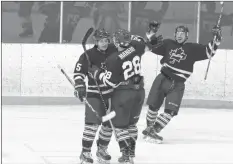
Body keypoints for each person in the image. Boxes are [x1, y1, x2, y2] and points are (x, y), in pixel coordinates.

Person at [88, 28, 161, 164]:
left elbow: (110, 82)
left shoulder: (114, 59)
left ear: (116, 41)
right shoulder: (136, 46)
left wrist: (96, 72)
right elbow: (148, 46)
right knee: (131, 125)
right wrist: (151, 38)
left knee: (118, 125)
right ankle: (131, 153)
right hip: (139, 93)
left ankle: (125, 155)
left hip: (123, 94)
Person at [142, 24, 222, 143]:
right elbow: (153, 47)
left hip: (178, 84)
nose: (179, 35)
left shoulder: (193, 48)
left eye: (182, 34)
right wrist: (151, 33)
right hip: (162, 78)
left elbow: (209, 52)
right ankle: (149, 128)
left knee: (171, 111)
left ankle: (153, 130)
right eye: (177, 33)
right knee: (153, 106)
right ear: (175, 35)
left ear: (187, 36)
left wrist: (216, 37)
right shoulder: (168, 43)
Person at [73, 28, 117, 164]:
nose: (104, 43)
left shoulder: (114, 51)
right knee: (91, 125)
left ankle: (102, 149)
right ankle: (85, 152)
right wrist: (80, 85)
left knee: (109, 124)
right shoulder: (88, 55)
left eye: (105, 40)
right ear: (95, 41)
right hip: (94, 94)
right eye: (100, 41)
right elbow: (79, 72)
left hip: (111, 94)